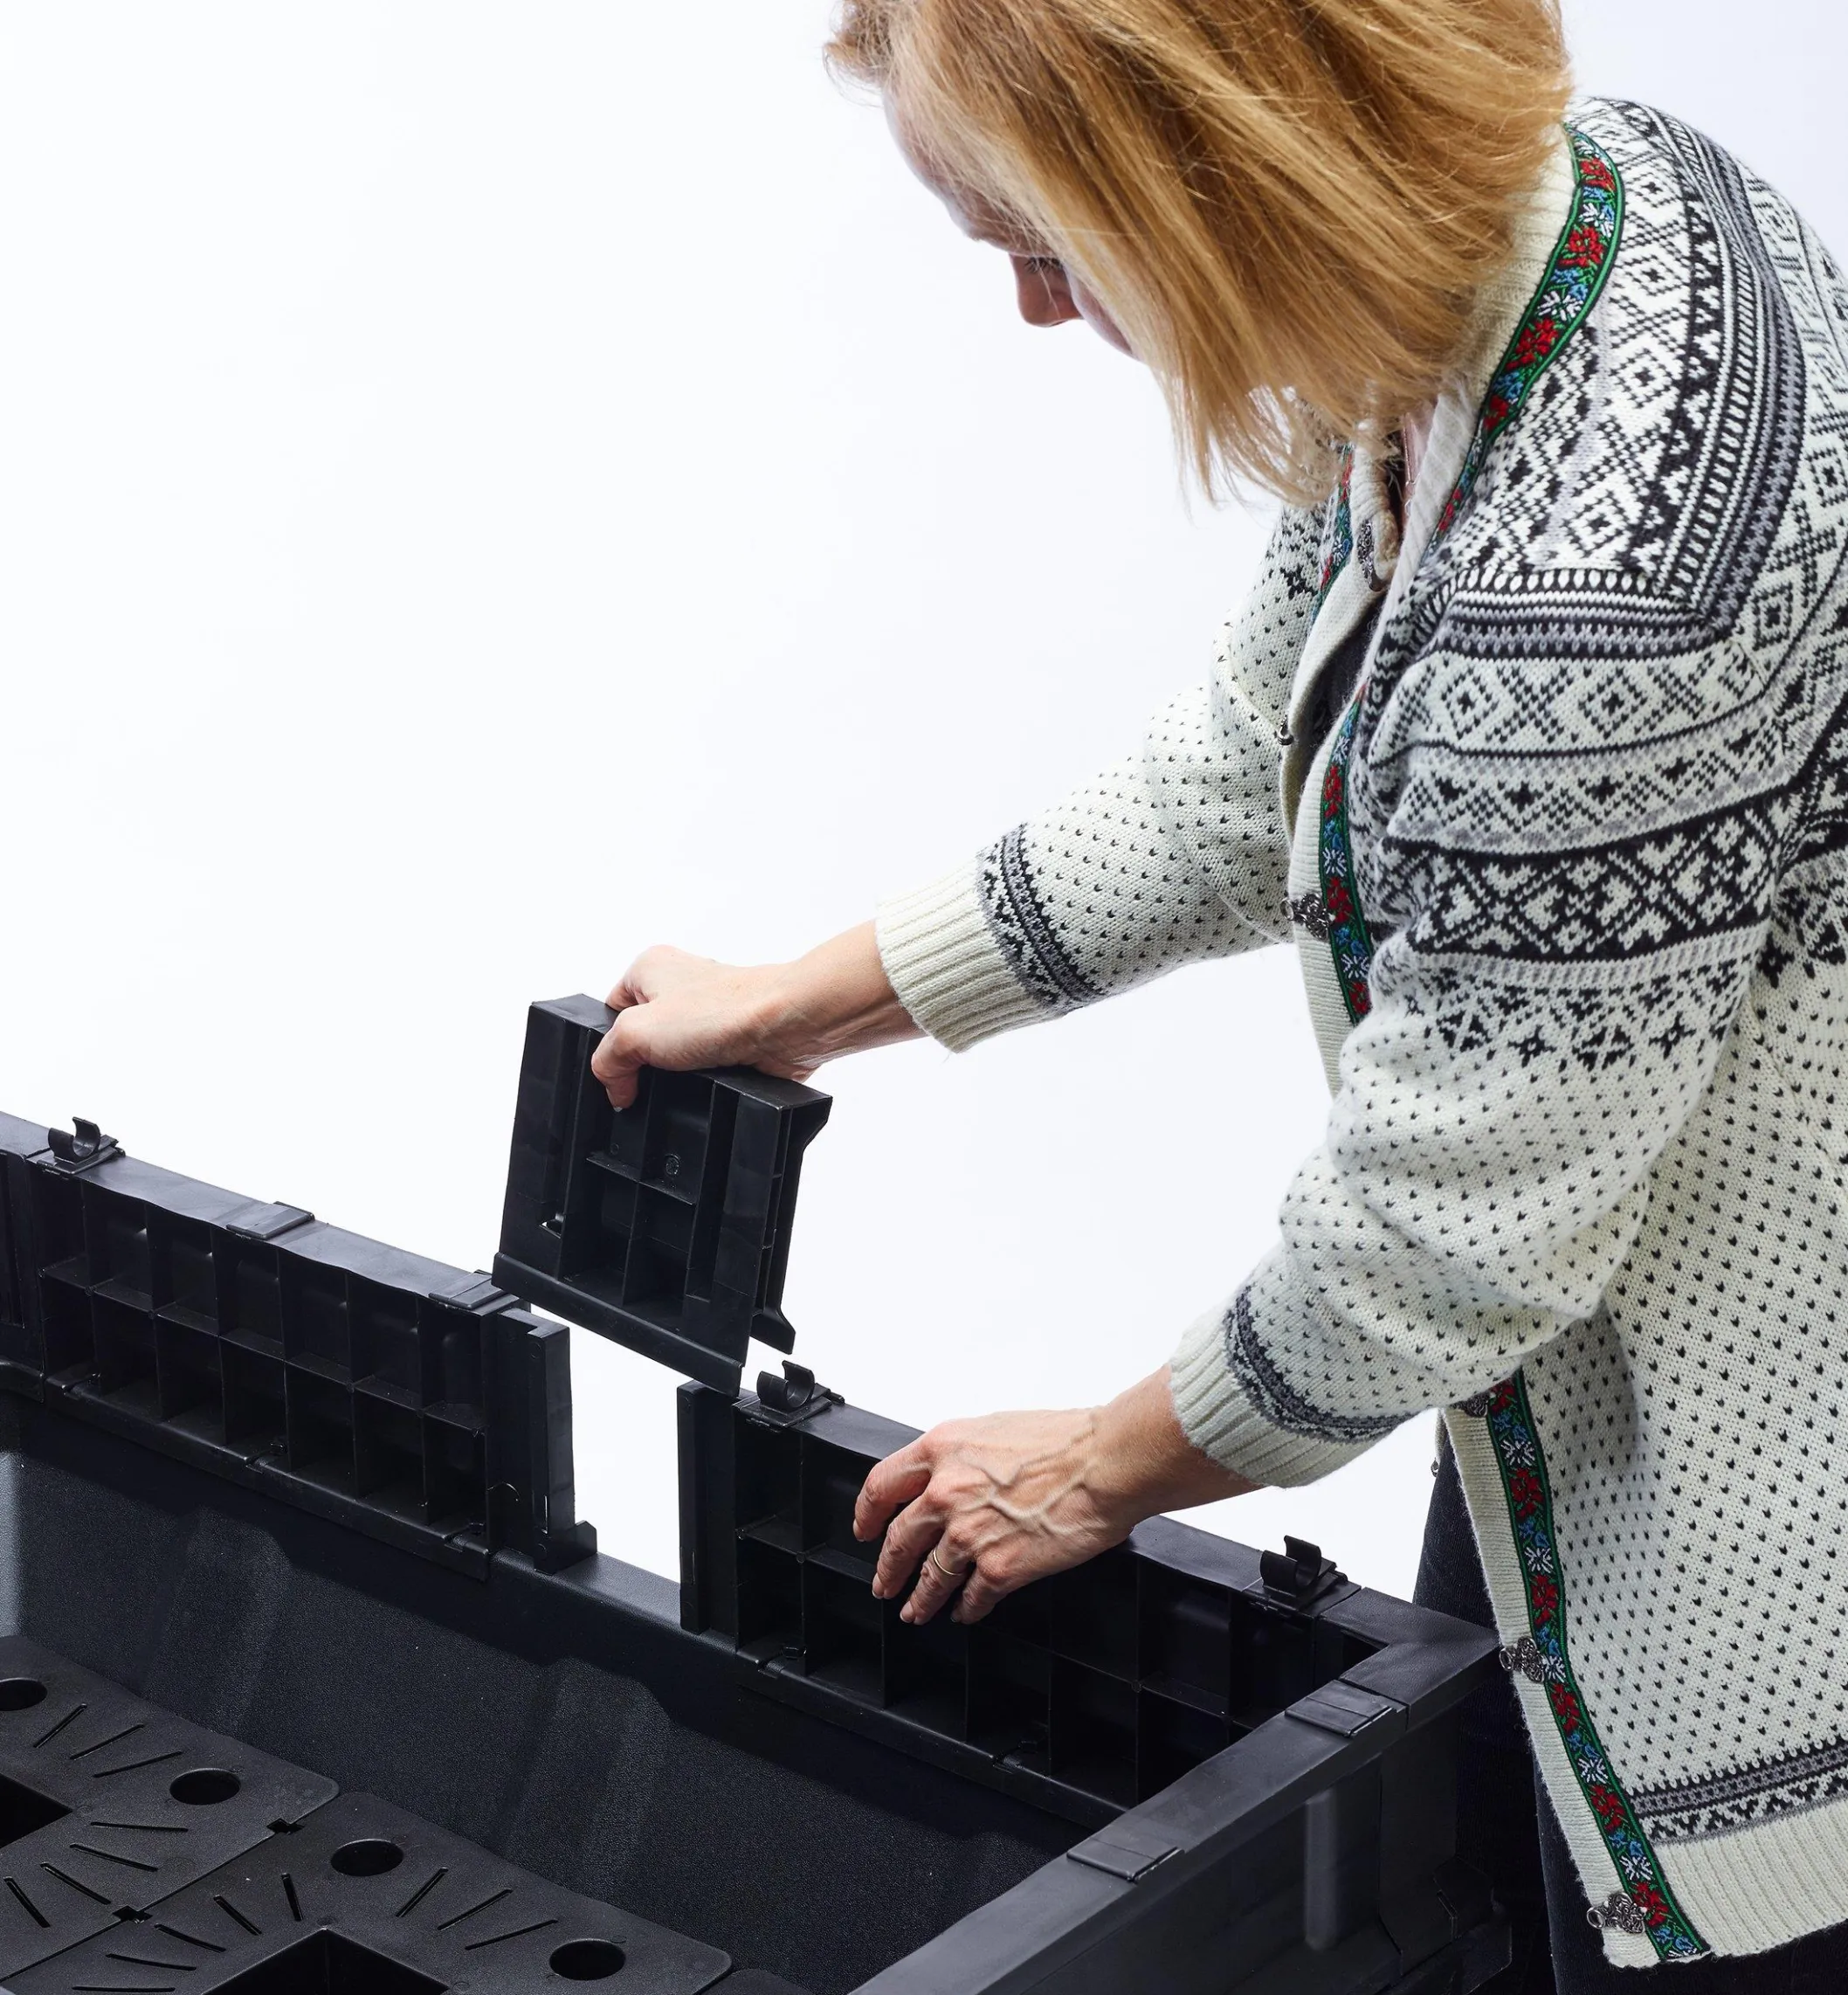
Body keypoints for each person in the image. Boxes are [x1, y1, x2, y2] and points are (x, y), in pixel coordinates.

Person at [589, 1, 1848, 1987]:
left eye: (1042, 241)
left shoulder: (1600, 583)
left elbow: (1442, 1241)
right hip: (1596, 1353)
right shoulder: (1554, 238)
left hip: (1757, 1497)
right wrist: (804, 1003)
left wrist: (1091, 1467)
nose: (1032, 307)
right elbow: (1253, 757)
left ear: (1220, 167)